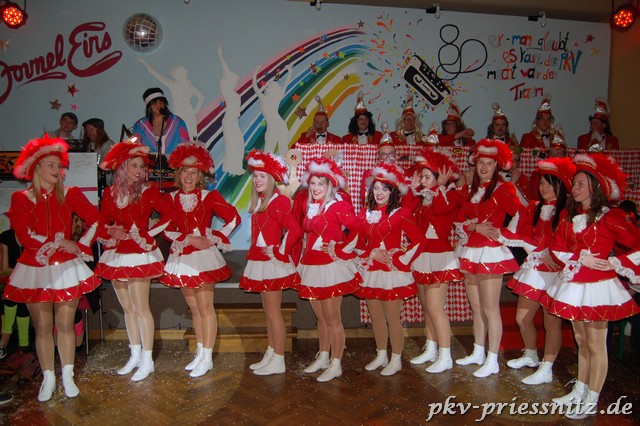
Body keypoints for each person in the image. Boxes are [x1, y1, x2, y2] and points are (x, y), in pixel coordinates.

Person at [540, 153, 640, 419]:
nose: (575, 188)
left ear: (595, 188)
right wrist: (580, 258)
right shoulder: (570, 215)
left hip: (598, 288)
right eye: (574, 183)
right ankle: (580, 389)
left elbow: (636, 242)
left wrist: (615, 263)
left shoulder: (611, 216)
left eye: (581, 184)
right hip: (575, 284)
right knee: (581, 340)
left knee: (596, 345)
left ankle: (592, 399)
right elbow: (557, 248)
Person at [3, 136, 100, 401]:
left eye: (59, 165)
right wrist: (49, 244)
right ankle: (48, 377)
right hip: (34, 268)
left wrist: (77, 244)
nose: (58, 170)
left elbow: (96, 220)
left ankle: (68, 375)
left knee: (65, 324)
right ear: (36, 168)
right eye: (51, 165)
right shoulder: (20, 197)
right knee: (43, 326)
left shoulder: (70, 194)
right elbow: (22, 233)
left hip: (66, 267)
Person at [94, 138, 176, 382]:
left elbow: (170, 214)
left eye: (142, 166)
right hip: (117, 253)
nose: (139, 170)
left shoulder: (148, 192)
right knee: (128, 308)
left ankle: (148, 360)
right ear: (123, 167)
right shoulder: (109, 194)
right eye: (134, 165)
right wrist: (110, 230)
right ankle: (135, 354)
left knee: (141, 308)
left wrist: (148, 233)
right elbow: (101, 221)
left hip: (140, 253)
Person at [161, 141, 240, 378]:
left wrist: (214, 238)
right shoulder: (170, 198)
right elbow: (166, 229)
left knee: (206, 308)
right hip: (183, 257)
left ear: (200, 176)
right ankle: (200, 351)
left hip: (204, 258)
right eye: (185, 171)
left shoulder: (209, 196)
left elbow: (234, 218)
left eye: (194, 172)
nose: (189, 176)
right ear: (179, 173)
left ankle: (207, 356)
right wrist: (188, 239)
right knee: (194, 308)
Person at [500, 157, 575, 385]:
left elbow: (569, 242)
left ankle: (547, 367)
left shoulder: (568, 212)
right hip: (535, 268)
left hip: (556, 271)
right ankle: (531, 354)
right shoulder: (534, 207)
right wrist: (537, 252)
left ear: (560, 186)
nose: (544, 187)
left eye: (549, 184)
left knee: (551, 323)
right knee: (522, 318)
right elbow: (520, 232)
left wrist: (552, 255)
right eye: (542, 183)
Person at [453, 139, 525, 377]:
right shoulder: (471, 190)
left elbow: (521, 214)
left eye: (489, 163)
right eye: (480, 163)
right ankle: (478, 352)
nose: (484, 167)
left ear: (497, 166)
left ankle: (493, 359)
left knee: (490, 308)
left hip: (491, 253)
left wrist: (503, 235)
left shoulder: (504, 189)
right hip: (471, 250)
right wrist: (475, 227)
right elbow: (459, 221)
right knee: (476, 308)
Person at [355, 162, 424, 376]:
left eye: (384, 189)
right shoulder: (365, 214)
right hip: (371, 271)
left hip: (393, 273)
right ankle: (381, 354)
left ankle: (396, 359)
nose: (379, 193)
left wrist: (400, 259)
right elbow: (356, 243)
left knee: (393, 318)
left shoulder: (402, 213)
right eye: (376, 188)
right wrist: (371, 254)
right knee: (376, 317)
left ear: (393, 191)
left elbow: (420, 241)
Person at [297, 157, 362, 382]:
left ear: (330, 186)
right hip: (312, 266)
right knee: (320, 317)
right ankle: (324, 356)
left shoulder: (338, 206)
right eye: (313, 183)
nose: (315, 188)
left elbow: (357, 228)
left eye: (321, 184)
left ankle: (336, 363)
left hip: (330, 267)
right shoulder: (312, 207)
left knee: (333, 318)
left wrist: (342, 249)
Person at [241, 150, 302, 376]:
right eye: (255, 176)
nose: (257, 180)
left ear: (271, 178)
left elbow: (295, 230)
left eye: (262, 176)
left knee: (274, 313)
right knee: (268, 312)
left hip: (272, 263)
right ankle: (271, 352)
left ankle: (279, 358)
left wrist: (280, 250)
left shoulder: (279, 201)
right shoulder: (260, 202)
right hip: (260, 260)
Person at [407, 147, 463, 373]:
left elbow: (442, 210)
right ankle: (431, 348)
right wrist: (413, 191)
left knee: (436, 308)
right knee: (427, 307)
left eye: (426, 176)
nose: (422, 180)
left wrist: (439, 187)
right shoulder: (422, 198)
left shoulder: (450, 195)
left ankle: (446, 355)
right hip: (423, 257)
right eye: (421, 177)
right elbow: (406, 214)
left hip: (440, 257)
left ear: (440, 177)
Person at [132, 87, 190, 155]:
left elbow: (186, 147)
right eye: (154, 103)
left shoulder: (178, 122)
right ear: (149, 106)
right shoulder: (140, 126)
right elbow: (135, 150)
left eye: (161, 102)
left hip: (174, 161)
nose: (158, 105)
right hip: (149, 161)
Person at [359, 132, 398, 208]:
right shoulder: (369, 174)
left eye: (391, 153)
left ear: (395, 155)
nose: (388, 157)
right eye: (384, 154)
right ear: (378, 156)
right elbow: (365, 198)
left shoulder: (403, 173)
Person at [82, 118, 115, 190]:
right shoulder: (87, 145)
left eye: (92, 129)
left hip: (104, 184)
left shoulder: (108, 145)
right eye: (87, 130)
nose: (89, 132)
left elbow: (105, 167)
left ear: (99, 130)